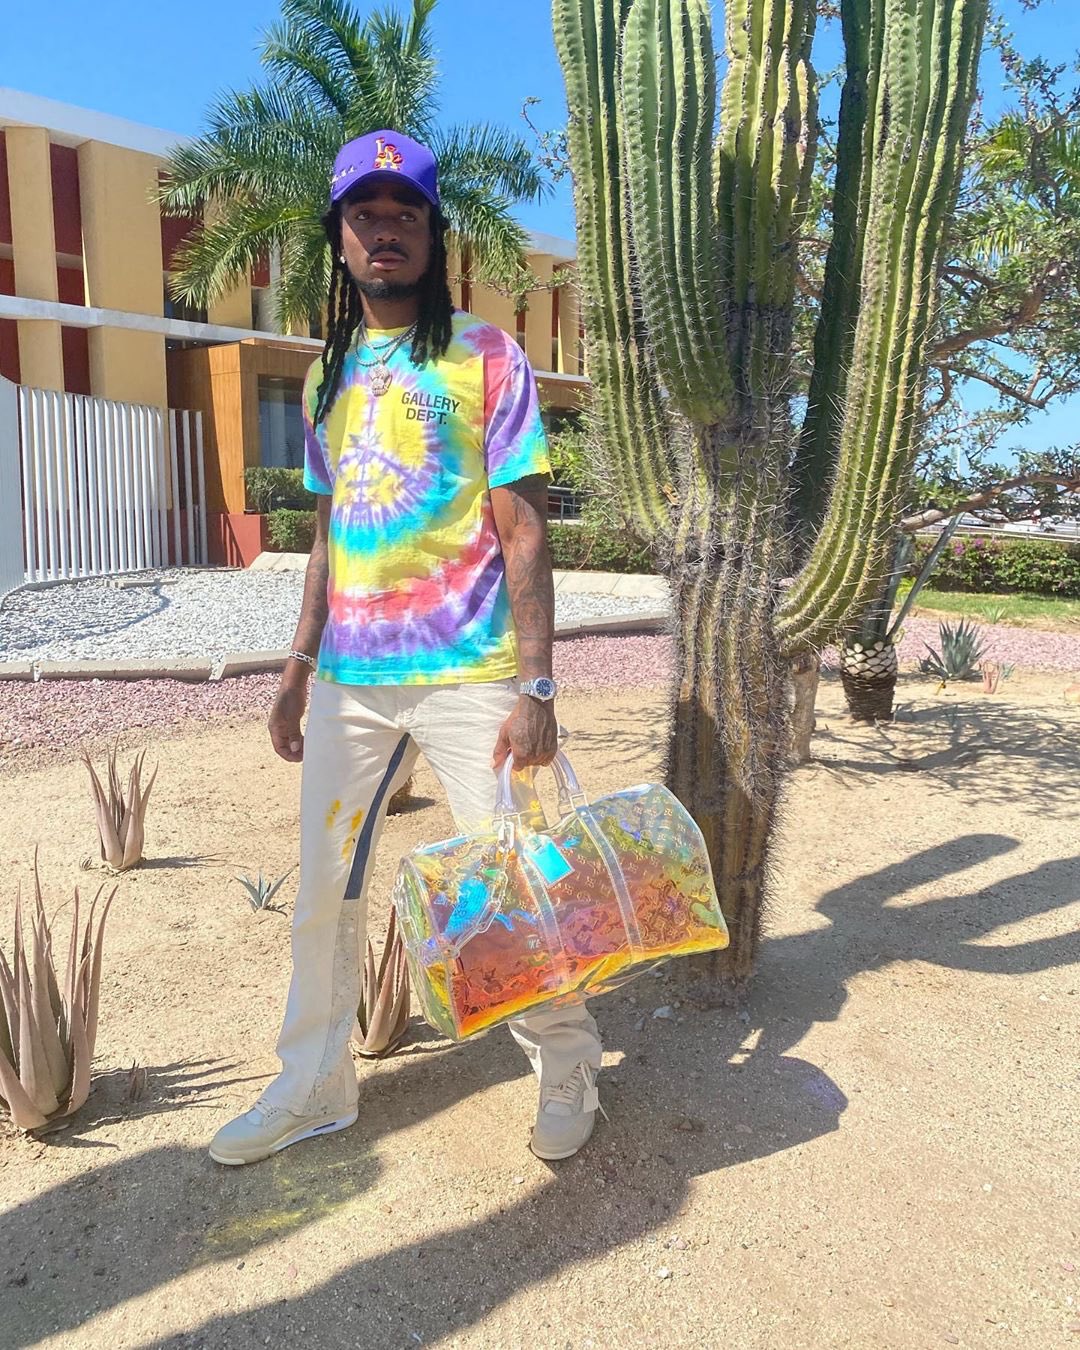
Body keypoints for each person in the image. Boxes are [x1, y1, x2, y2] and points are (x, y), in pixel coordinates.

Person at [210, 130, 603, 1167]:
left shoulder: (489, 355)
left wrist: (537, 686)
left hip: (471, 672)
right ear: (338, 236)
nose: (385, 230)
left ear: (432, 235)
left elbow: (524, 525)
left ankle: (566, 1062)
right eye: (365, 214)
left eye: (405, 214)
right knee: (323, 895)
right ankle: (313, 1083)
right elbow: (328, 534)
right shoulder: (327, 374)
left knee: (512, 882)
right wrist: (296, 670)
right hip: (351, 681)